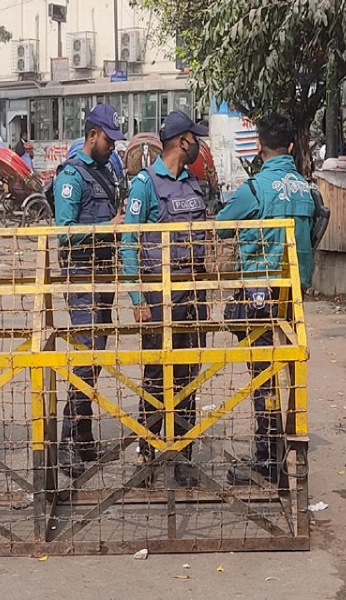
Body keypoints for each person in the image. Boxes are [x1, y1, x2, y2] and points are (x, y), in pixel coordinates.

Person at [215, 113, 315, 486]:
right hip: (294, 295)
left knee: (263, 376)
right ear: (291, 146)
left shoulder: (254, 190)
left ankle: (267, 460)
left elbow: (222, 227)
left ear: (258, 147)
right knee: (289, 372)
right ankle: (282, 451)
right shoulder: (306, 188)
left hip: (258, 292)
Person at [121, 111, 209, 488]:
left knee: (188, 376)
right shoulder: (144, 185)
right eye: (197, 139)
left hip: (192, 293)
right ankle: (148, 452)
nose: (201, 146)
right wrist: (137, 297)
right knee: (157, 376)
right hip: (158, 296)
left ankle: (183, 455)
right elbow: (129, 243)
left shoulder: (194, 183)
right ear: (182, 141)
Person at [53, 103, 124, 477]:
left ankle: (82, 434)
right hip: (81, 277)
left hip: (104, 275)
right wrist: (105, 228)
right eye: (108, 140)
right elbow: (64, 230)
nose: (112, 147)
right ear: (92, 135)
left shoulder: (108, 170)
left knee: (96, 355)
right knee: (85, 354)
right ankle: (66, 440)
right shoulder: (71, 177)